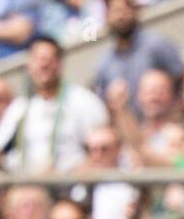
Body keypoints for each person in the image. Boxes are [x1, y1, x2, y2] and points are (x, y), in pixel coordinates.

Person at [7, 35, 109, 172]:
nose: (43, 65)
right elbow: (1, 155)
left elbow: (106, 150)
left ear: (60, 64)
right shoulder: (19, 108)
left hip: (73, 186)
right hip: (27, 186)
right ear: (29, 66)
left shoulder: (83, 101)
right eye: (37, 59)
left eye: (49, 60)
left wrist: (66, 176)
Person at [92, 0, 184, 114]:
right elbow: (104, 103)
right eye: (114, 11)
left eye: (124, 10)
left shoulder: (156, 44)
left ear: (135, 10)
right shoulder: (105, 62)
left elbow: (182, 77)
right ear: (107, 17)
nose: (120, 17)